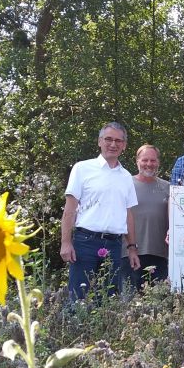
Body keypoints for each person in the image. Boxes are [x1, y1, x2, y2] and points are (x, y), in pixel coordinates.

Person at [61, 122, 140, 299]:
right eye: (109, 139)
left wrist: (132, 248)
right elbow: (70, 209)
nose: (113, 144)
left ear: (124, 145)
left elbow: (128, 215)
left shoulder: (126, 176)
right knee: (78, 299)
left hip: (114, 245)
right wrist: (65, 242)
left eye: (118, 141)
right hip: (85, 243)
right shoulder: (82, 168)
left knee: (107, 300)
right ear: (99, 141)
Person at [122, 145, 170, 291]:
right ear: (137, 161)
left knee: (158, 305)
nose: (149, 164)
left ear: (158, 162)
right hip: (129, 253)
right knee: (129, 303)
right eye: (145, 160)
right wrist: (130, 248)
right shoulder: (125, 184)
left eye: (153, 160)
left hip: (160, 254)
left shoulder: (168, 188)